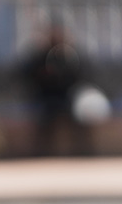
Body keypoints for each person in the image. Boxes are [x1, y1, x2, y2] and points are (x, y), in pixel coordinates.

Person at [18, 22, 92, 156]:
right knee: (45, 120)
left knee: (78, 118)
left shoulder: (69, 54)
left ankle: (82, 152)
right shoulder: (40, 55)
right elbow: (25, 74)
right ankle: (40, 152)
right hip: (46, 96)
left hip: (66, 96)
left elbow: (82, 75)